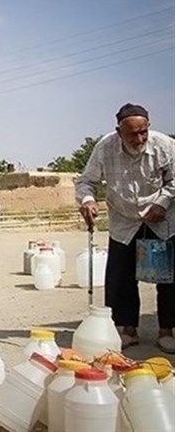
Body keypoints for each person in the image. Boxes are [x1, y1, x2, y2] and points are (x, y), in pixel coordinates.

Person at [76, 103, 175, 354]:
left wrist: (162, 203)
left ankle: (167, 330)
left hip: (160, 219)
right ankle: (128, 329)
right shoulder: (105, 147)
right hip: (124, 221)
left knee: (167, 278)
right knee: (121, 278)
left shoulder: (164, 145)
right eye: (133, 133)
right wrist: (87, 200)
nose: (139, 138)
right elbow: (86, 181)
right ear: (119, 131)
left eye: (144, 131)